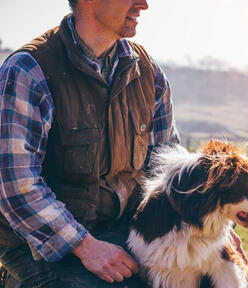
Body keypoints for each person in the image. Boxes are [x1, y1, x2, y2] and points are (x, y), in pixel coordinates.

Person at [0, 0, 180, 286]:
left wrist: (207, 219)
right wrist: (85, 246)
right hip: (40, 249)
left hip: (123, 237)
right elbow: (15, 185)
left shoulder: (148, 73)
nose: (144, 4)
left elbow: (165, 165)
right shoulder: (28, 71)